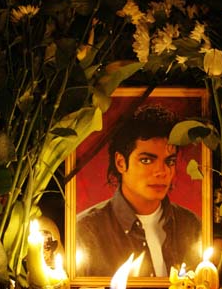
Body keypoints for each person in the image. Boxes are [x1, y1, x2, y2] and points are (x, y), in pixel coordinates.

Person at [76, 104, 201, 277]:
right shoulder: (85, 231)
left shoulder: (191, 225)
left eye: (169, 162)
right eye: (147, 161)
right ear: (121, 163)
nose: (162, 172)